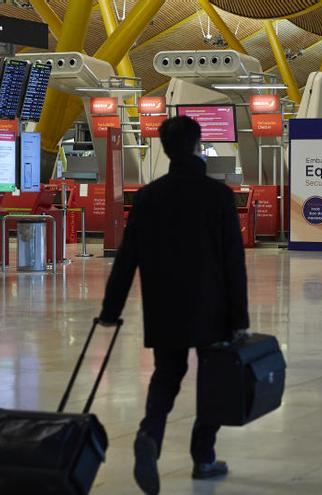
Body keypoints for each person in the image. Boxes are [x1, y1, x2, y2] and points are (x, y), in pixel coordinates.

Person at [98, 116, 249, 494]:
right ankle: (204, 457)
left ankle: (150, 436)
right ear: (198, 146)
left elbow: (126, 257)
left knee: (167, 374)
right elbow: (234, 261)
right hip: (211, 306)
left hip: (163, 305)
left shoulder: (149, 196)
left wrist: (111, 309)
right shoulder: (218, 196)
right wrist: (240, 316)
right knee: (213, 381)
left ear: (165, 150)